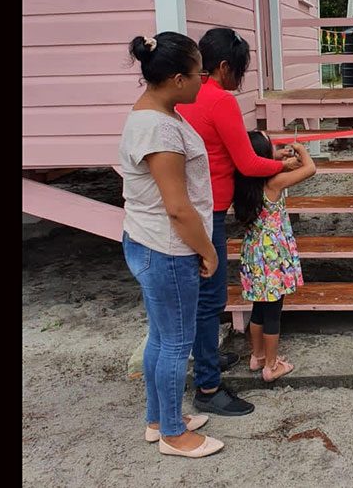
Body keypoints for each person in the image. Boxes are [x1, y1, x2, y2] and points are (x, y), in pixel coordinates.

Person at [176, 28, 301, 415]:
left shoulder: (181, 98)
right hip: (208, 205)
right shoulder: (219, 100)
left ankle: (207, 359)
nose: (239, 81)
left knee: (197, 292)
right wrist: (283, 164)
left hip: (185, 202)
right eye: (239, 71)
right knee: (210, 296)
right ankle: (209, 388)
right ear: (224, 67)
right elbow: (247, 162)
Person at [119, 32, 223, 457]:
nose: (203, 81)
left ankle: (158, 419)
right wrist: (209, 250)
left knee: (161, 338)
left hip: (147, 241)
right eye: (199, 74)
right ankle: (174, 434)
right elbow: (179, 208)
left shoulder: (153, 113)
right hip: (167, 248)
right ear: (178, 78)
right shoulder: (160, 129)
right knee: (177, 342)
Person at [234, 132, 316, 382]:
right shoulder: (274, 183)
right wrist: (300, 150)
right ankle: (271, 365)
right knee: (273, 311)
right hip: (272, 256)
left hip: (253, 254)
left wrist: (275, 157)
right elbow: (310, 168)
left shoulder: (242, 182)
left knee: (258, 307)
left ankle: (257, 355)